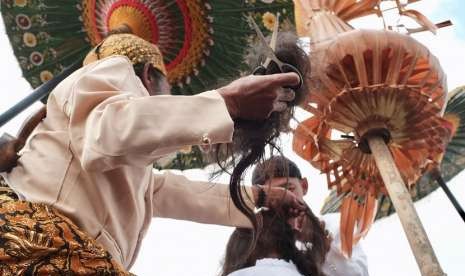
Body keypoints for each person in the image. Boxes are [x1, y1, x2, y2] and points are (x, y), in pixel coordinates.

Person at [0, 33, 305, 274]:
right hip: (36, 247)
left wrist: (263, 198)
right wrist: (227, 104)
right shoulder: (113, 70)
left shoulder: (133, 170)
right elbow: (106, 129)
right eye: (169, 88)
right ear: (148, 75)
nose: (171, 100)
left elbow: (178, 193)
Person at [220, 156, 369, 276]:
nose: (283, 199)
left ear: (304, 186)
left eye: (289, 189)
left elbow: (359, 273)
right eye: (273, 195)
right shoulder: (251, 234)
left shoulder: (335, 225)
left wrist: (322, 244)